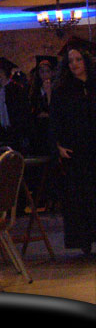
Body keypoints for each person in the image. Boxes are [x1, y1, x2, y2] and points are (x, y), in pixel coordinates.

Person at [48, 45, 96, 255]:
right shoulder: (62, 90)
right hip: (76, 151)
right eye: (71, 61)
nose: (75, 64)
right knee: (80, 198)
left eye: (78, 59)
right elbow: (55, 121)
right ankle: (84, 240)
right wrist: (57, 146)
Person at [0, 57, 32, 154]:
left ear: (1, 72)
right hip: (3, 133)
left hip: (15, 133)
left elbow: (22, 113)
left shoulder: (16, 90)